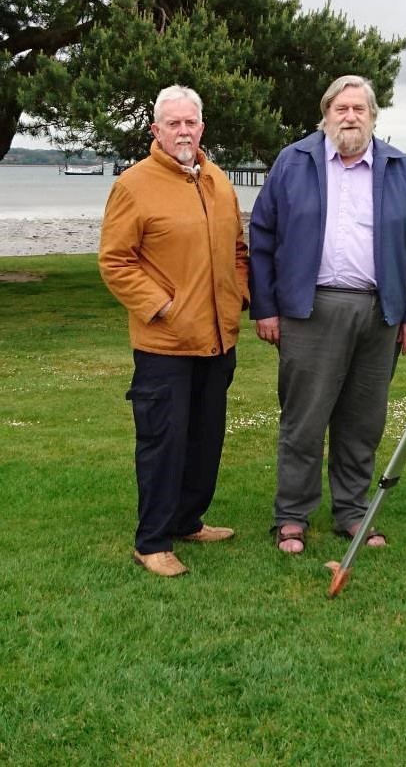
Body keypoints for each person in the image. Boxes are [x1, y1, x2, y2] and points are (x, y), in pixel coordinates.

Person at [249, 75, 406, 554]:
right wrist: (266, 307)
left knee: (362, 422)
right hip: (310, 310)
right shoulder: (293, 162)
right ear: (325, 113)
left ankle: (352, 512)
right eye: (341, 108)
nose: (350, 116)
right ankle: (292, 516)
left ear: (373, 116)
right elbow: (264, 239)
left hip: (379, 315)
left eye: (359, 108)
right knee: (304, 421)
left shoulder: (398, 169)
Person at [99, 85, 250, 577]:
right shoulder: (133, 185)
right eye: (173, 123)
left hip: (216, 338)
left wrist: (239, 297)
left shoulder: (218, 182)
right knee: (163, 441)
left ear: (202, 128)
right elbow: (116, 261)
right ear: (156, 130)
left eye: (191, 122)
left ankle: (189, 520)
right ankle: (152, 541)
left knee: (205, 439)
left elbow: (238, 251)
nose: (183, 130)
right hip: (164, 343)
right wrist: (161, 306)